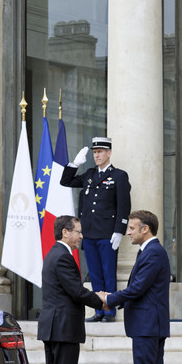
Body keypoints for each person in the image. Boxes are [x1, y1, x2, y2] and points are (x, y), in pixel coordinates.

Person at [101, 210, 170, 364]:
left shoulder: (153, 252)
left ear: (145, 229)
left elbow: (137, 289)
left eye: (132, 228)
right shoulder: (151, 252)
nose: (128, 232)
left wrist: (109, 298)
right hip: (150, 324)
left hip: (147, 325)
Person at [37, 215, 104, 364]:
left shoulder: (54, 254)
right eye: (78, 231)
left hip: (54, 326)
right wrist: (101, 300)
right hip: (63, 327)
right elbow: (76, 291)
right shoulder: (63, 256)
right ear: (65, 232)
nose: (81, 236)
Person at [61, 136, 131, 322]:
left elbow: (123, 205)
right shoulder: (90, 175)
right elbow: (66, 181)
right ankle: (98, 310)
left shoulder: (119, 176)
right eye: (95, 152)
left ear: (109, 153)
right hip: (89, 233)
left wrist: (119, 230)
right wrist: (75, 164)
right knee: (95, 276)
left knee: (108, 274)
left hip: (108, 233)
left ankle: (109, 311)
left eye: (100, 152)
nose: (97, 155)